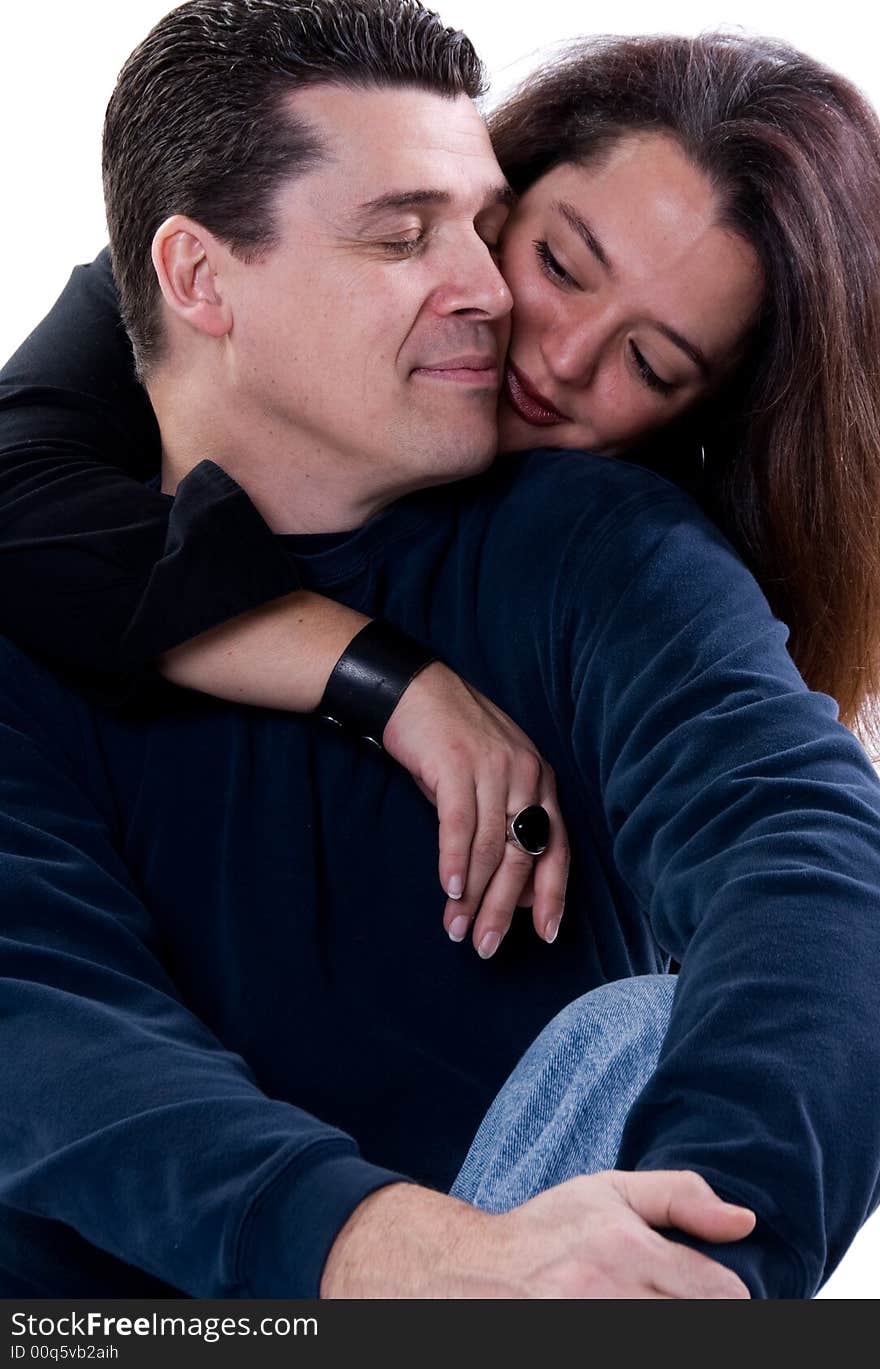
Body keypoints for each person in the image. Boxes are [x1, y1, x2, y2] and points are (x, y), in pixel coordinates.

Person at [1, 0, 880, 1299]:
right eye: (410, 235)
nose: (519, 322)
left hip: (549, 1262)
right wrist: (407, 1257)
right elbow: (44, 1014)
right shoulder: (39, 561)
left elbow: (803, 856)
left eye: (653, 358)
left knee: (643, 1040)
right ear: (196, 277)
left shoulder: (602, 548)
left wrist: (695, 1276)